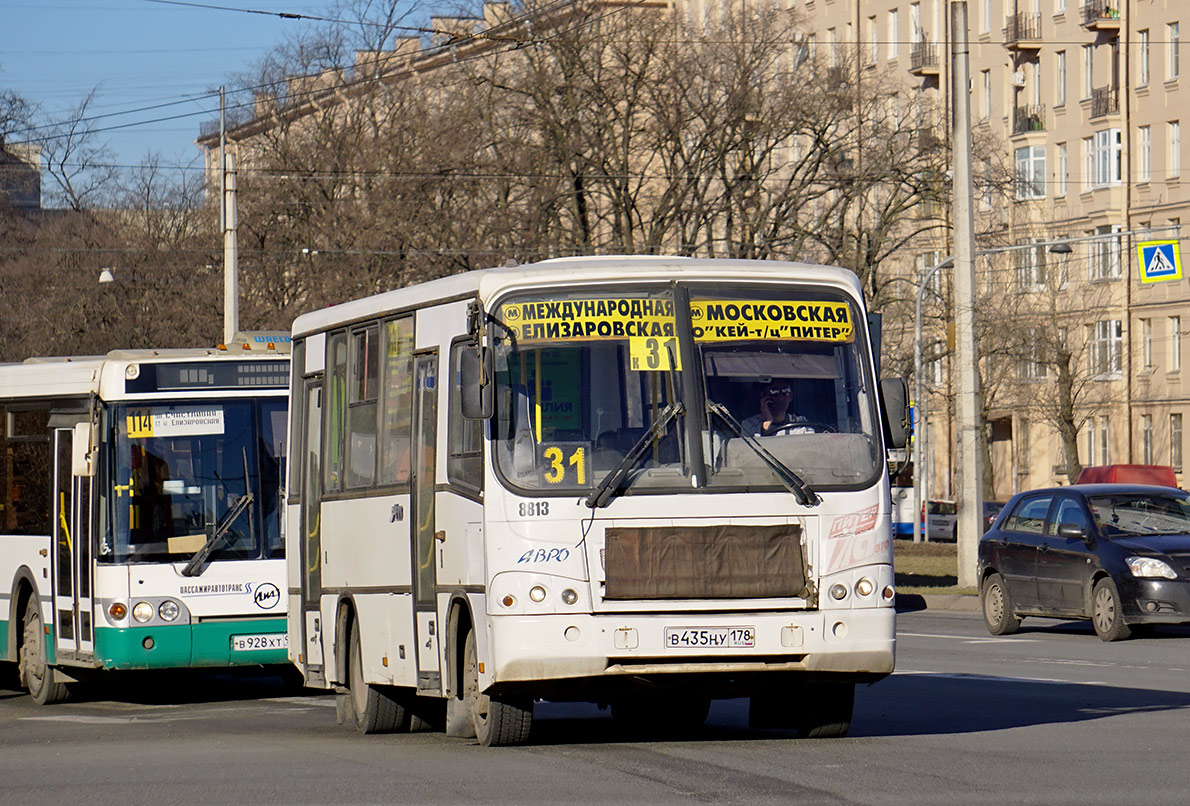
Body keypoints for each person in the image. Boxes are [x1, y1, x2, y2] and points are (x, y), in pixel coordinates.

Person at [740, 380, 812, 436]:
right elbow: (750, 452)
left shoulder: (801, 424)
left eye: (785, 391)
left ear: (791, 396)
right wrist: (767, 423)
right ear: (764, 396)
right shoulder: (749, 425)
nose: (781, 398)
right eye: (774, 392)